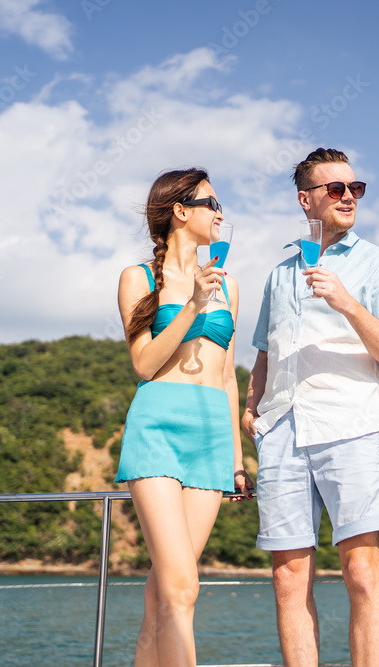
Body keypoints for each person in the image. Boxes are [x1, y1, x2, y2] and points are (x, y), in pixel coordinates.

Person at [242, 147, 379, 667]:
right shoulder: (279, 275)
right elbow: (264, 353)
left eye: (355, 189)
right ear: (306, 200)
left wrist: (346, 302)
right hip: (281, 432)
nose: (348, 197)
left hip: (351, 428)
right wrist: (252, 410)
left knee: (362, 572)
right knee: (287, 578)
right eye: (335, 189)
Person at [114, 168, 254, 667]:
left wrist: (238, 461)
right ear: (180, 211)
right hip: (158, 429)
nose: (220, 213)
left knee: (163, 596)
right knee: (182, 589)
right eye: (212, 203)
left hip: (212, 436)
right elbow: (145, 364)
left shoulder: (230, 286)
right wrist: (193, 304)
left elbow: (228, 378)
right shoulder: (140, 278)